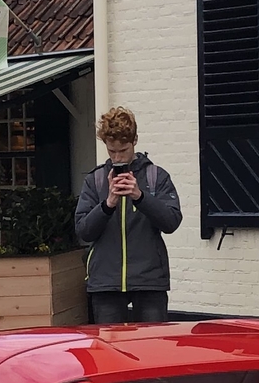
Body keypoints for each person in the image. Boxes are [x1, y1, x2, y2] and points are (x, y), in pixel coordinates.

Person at [73, 106, 181, 324]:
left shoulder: (155, 176)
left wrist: (140, 196)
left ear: (135, 141)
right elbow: (83, 231)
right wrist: (108, 203)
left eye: (123, 150)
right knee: (109, 352)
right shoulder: (95, 181)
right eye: (112, 151)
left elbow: (171, 222)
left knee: (151, 349)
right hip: (106, 282)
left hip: (149, 281)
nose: (117, 158)